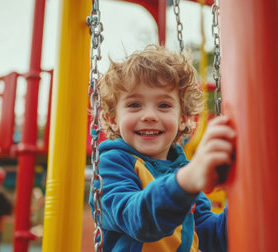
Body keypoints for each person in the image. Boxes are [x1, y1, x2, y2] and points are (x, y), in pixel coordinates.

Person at [89, 45, 235, 251]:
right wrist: (186, 182)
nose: (149, 115)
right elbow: (137, 220)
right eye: (134, 105)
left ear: (183, 118)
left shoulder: (182, 171)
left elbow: (210, 238)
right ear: (112, 119)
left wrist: (243, 204)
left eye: (164, 105)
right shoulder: (112, 165)